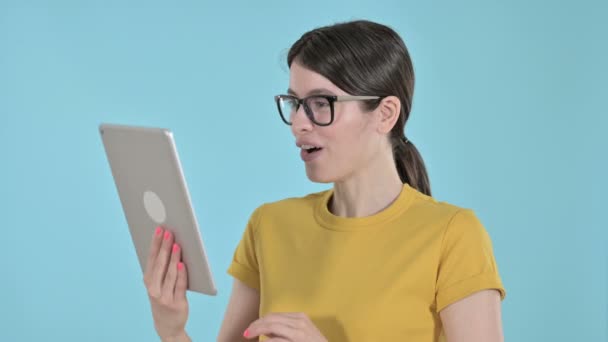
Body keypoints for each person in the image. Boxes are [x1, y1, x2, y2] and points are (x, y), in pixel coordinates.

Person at [143, 20, 506, 342]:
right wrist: (172, 331)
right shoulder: (268, 226)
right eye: (294, 102)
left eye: (320, 103)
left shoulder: (453, 235)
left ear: (385, 114)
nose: (300, 123)